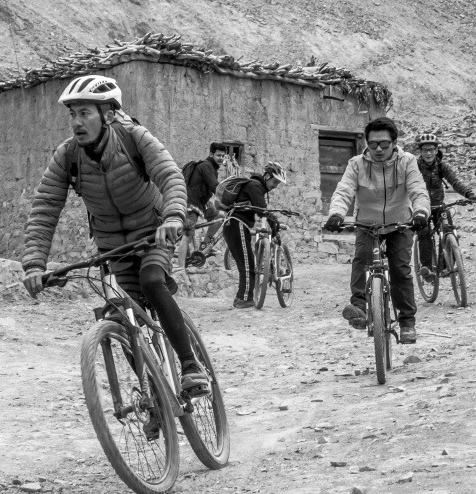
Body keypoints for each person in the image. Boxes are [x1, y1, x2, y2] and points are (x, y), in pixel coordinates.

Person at [22, 74, 209, 396]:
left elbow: (170, 176)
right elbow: (45, 208)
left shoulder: (134, 137)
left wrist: (174, 216)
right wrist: (34, 265)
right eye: (72, 114)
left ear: (108, 114)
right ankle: (155, 397)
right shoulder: (67, 156)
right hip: (112, 247)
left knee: (152, 282)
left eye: (85, 113)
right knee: (123, 316)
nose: (77, 122)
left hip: (154, 235)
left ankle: (191, 366)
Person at [323, 117, 430, 344]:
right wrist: (336, 214)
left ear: (394, 142)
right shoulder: (356, 164)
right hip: (367, 224)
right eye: (373, 144)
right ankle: (359, 308)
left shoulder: (408, 162)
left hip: (399, 223)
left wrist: (420, 212)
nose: (378, 149)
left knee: (400, 269)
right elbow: (344, 191)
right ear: (367, 143)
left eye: (383, 144)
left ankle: (407, 322)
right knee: (361, 260)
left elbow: (418, 189)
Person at [217, 162, 287, 308]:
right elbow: (262, 210)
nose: (275, 186)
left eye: (278, 184)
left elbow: (260, 210)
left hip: (235, 225)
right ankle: (245, 299)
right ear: (267, 176)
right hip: (237, 225)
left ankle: (240, 298)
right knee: (248, 265)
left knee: (245, 264)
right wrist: (273, 221)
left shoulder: (256, 187)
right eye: (275, 182)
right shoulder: (255, 186)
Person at [415, 133, 476, 281]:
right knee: (424, 232)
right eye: (425, 150)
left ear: (437, 150)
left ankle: (445, 266)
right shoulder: (415, 166)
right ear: (421, 152)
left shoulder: (442, 166)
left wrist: (468, 194)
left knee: (449, 230)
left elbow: (454, 182)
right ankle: (427, 269)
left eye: (431, 149)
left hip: (438, 205)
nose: (428, 153)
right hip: (420, 207)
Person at [183, 142, 227, 254]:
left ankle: (205, 245)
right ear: (211, 154)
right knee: (188, 234)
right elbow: (215, 187)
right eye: (218, 155)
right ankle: (182, 263)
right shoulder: (206, 166)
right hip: (191, 204)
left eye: (223, 156)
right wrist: (230, 198)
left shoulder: (211, 168)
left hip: (202, 203)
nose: (221, 158)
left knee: (219, 216)